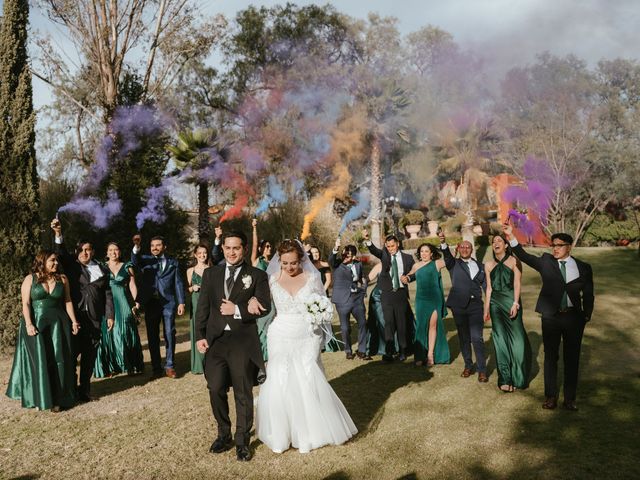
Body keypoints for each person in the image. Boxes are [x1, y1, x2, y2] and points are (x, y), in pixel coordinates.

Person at [256, 239, 358, 454]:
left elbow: (321, 303)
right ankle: (283, 433)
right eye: (284, 263)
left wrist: (320, 314)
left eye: (293, 263)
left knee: (308, 375)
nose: (289, 267)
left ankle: (311, 432)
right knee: (280, 377)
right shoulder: (272, 279)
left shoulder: (312, 277)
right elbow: (263, 303)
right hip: (281, 332)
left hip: (307, 333)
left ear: (301, 259)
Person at [195, 231, 271, 462]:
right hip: (216, 341)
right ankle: (223, 433)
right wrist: (199, 335)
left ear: (244, 249)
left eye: (236, 248)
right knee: (215, 387)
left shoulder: (257, 275)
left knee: (243, 392)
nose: (231, 252)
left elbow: (265, 306)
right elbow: (203, 308)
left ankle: (242, 441)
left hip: (242, 341)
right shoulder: (211, 274)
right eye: (227, 248)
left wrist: (237, 310)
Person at [503, 224, 593, 410]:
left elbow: (589, 294)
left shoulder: (583, 267)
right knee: (551, 357)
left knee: (572, 358)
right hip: (551, 317)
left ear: (569, 247)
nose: (556, 248)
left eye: (560, 245)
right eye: (554, 245)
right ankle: (550, 397)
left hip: (574, 319)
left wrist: (586, 316)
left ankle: (569, 399)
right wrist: (511, 236)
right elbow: (525, 256)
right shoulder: (546, 261)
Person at [6, 250, 80, 411]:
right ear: (42, 261)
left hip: (59, 324)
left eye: (56, 261)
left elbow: (67, 301)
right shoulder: (30, 279)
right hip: (37, 324)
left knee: (59, 359)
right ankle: (40, 397)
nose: (56, 263)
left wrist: (74, 321)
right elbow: (25, 304)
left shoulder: (62, 279)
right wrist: (28, 324)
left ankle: (59, 399)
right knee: (41, 360)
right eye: (52, 260)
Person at [52, 219, 114, 401]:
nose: (84, 253)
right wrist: (57, 233)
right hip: (74, 319)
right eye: (81, 250)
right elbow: (60, 252)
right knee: (71, 355)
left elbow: (108, 294)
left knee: (89, 357)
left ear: (93, 251)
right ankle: (70, 390)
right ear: (76, 251)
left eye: (88, 250)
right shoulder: (72, 264)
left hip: (94, 319)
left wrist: (110, 315)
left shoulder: (102, 269)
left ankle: (85, 391)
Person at [131, 234, 185, 379]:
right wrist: (136, 247)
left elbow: (178, 283)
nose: (155, 248)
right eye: (152, 246)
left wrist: (181, 302)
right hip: (151, 303)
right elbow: (134, 261)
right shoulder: (146, 261)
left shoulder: (173, 262)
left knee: (169, 333)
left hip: (168, 303)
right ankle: (156, 369)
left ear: (164, 247)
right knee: (152, 336)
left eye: (158, 245)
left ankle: (170, 366)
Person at [483, 234, 531, 392]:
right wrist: (486, 309)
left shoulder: (514, 261)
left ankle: (519, 377)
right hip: (495, 303)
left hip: (511, 301)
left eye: (499, 241)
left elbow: (517, 283)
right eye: (493, 241)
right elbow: (489, 288)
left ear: (505, 245)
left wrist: (516, 303)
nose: (496, 243)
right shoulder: (488, 265)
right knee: (499, 339)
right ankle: (505, 379)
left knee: (518, 340)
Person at [438, 231, 488, 382]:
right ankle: (468, 365)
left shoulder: (481, 266)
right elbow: (446, 255)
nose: (465, 249)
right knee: (464, 337)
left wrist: (489, 306)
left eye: (468, 247)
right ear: (459, 249)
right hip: (459, 306)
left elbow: (487, 286)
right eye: (463, 247)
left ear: (472, 250)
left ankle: (482, 370)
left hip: (475, 306)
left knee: (477, 338)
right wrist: (443, 242)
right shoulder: (453, 264)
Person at [362, 230, 415, 362]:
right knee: (389, 324)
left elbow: (415, 272)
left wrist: (409, 278)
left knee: (402, 324)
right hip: (387, 295)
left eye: (392, 245)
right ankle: (389, 352)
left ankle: (403, 351)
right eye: (388, 246)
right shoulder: (384, 256)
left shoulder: (408, 258)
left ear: (397, 244)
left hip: (401, 295)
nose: (390, 248)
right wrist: (368, 240)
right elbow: (375, 251)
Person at [95, 242, 144, 377]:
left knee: (125, 330)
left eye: (116, 250)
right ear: (107, 253)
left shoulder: (127, 266)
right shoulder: (101, 267)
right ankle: (111, 366)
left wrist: (135, 303)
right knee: (109, 333)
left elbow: (132, 285)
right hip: (107, 303)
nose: (113, 252)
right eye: (110, 250)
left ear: (120, 252)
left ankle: (130, 364)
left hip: (123, 302)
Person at [402, 243, 450, 367]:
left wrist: (444, 245)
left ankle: (430, 355)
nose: (423, 254)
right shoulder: (416, 265)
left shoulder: (437, 263)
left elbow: (450, 260)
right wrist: (405, 278)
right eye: (421, 251)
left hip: (435, 299)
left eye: (426, 251)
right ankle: (419, 356)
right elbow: (410, 276)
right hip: (421, 300)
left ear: (431, 253)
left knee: (433, 326)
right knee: (421, 327)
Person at [329, 238, 370, 360]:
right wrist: (336, 248)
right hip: (342, 300)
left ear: (353, 256)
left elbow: (362, 278)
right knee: (345, 328)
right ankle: (348, 350)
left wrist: (363, 290)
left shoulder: (358, 264)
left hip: (357, 299)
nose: (345, 256)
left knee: (363, 323)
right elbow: (331, 260)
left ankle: (362, 350)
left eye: (349, 255)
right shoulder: (337, 264)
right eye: (344, 254)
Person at [250, 218, 275, 361]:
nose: (269, 248)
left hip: (271, 298)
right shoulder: (256, 260)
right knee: (260, 326)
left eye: (270, 246)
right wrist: (254, 228)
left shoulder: (274, 263)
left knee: (270, 327)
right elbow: (254, 245)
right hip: (259, 298)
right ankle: (260, 354)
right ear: (261, 248)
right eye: (266, 246)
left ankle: (269, 354)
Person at [186, 243, 210, 375]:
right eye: (199, 253)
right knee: (197, 329)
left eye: (204, 253)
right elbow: (187, 289)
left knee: (209, 329)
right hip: (196, 302)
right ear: (195, 255)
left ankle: (210, 362)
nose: (202, 255)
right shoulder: (190, 271)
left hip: (209, 302)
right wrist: (192, 288)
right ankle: (198, 364)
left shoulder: (211, 269)